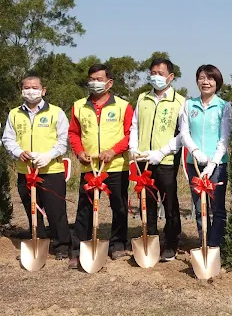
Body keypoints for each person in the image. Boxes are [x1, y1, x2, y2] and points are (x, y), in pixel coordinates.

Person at [67, 64, 134, 269]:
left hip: (115, 166)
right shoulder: (79, 106)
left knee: (119, 207)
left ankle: (118, 245)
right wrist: (79, 152)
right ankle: (78, 249)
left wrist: (113, 151)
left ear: (109, 82)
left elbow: (130, 134)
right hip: (90, 166)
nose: (94, 83)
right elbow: (73, 133)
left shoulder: (123, 106)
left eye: (99, 79)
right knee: (84, 209)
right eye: (91, 79)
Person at [2, 76, 71, 259]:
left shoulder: (56, 113)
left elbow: (63, 141)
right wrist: (18, 152)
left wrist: (49, 155)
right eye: (26, 87)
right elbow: (8, 139)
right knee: (32, 209)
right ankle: (39, 240)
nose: (30, 90)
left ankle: (62, 245)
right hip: (25, 171)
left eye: (34, 87)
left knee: (55, 210)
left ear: (43, 90)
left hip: (51, 171)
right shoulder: (14, 114)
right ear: (21, 90)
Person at [129, 58, 185, 262]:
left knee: (169, 203)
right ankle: (150, 238)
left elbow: (182, 134)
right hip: (142, 160)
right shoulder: (142, 98)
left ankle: (171, 242)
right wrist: (133, 147)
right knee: (147, 202)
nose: (156, 77)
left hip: (166, 161)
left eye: (160, 73)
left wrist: (161, 152)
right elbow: (135, 125)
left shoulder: (180, 102)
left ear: (171, 77)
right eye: (153, 72)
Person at [179, 64, 232, 249]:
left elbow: (224, 138)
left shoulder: (224, 106)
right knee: (199, 207)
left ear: (217, 82)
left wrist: (212, 164)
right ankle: (203, 241)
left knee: (217, 207)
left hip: (217, 166)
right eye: (202, 78)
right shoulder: (188, 104)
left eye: (210, 78)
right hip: (193, 164)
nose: (206, 82)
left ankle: (215, 245)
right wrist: (195, 151)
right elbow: (184, 133)